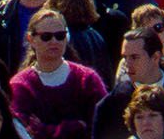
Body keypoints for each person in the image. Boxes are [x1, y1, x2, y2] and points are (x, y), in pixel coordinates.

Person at [8, 8, 108, 139]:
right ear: (31, 39)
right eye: (46, 37)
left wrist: (44, 130)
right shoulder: (20, 86)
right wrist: (75, 127)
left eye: (60, 36)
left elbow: (103, 126)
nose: (54, 41)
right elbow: (23, 132)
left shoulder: (87, 80)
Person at [91, 26, 164, 139]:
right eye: (125, 57)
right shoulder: (111, 104)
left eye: (134, 57)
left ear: (156, 57)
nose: (127, 64)